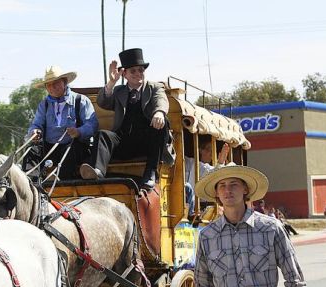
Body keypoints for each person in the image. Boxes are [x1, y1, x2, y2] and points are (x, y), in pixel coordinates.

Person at [93, 48, 173, 189]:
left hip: (148, 144)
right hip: (124, 142)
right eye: (133, 71)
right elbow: (102, 102)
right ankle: (98, 172)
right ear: (124, 74)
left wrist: (159, 113)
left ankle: (151, 173)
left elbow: (161, 100)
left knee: (163, 123)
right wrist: (111, 83)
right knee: (103, 134)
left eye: (140, 70)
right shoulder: (119, 91)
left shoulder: (154, 87)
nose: (138, 74)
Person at [25, 66, 104, 180]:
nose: (52, 87)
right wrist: (35, 132)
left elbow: (92, 124)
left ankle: (60, 182)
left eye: (56, 83)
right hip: (50, 147)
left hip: (74, 146)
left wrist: (78, 131)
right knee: (32, 151)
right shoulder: (44, 105)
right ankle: (31, 182)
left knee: (71, 150)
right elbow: (36, 124)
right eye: (49, 85)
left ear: (65, 82)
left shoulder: (80, 100)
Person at [184, 141, 230, 220]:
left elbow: (214, 174)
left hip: (202, 208)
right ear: (201, 150)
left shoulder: (207, 168)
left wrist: (221, 162)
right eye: (208, 149)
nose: (211, 153)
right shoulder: (192, 163)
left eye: (213, 151)